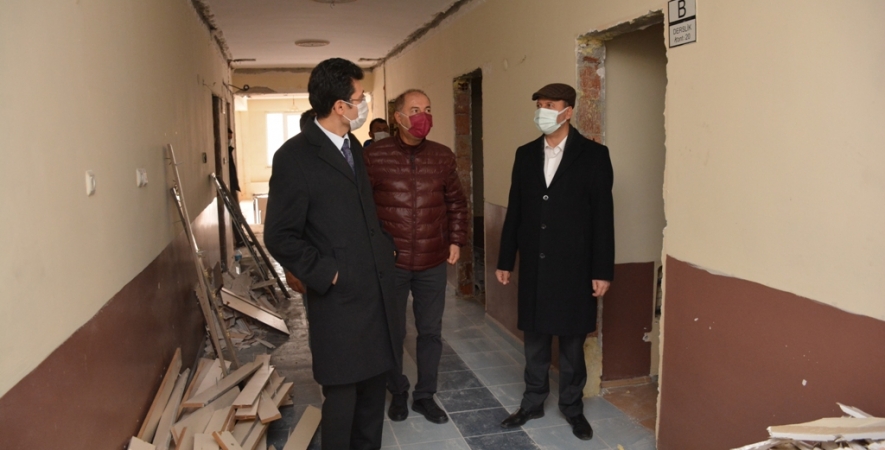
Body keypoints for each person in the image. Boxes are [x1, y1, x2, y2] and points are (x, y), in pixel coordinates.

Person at [264, 57, 400, 450]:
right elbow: (279, 235)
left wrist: (384, 247)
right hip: (339, 300)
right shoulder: (294, 156)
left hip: (375, 290)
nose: (363, 105)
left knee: (373, 390)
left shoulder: (351, 145)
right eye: (360, 97)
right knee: (342, 396)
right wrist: (329, 273)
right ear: (340, 106)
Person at [495, 83, 614, 441]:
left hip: (575, 268)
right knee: (535, 339)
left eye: (550, 105)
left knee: (572, 343)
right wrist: (505, 260)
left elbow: (603, 217)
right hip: (536, 264)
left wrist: (602, 271)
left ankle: (572, 408)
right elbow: (516, 209)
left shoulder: (594, 156)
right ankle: (532, 402)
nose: (543, 111)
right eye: (540, 105)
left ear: (568, 111)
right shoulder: (525, 154)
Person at [363, 89, 468, 424]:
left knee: (430, 331)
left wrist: (456, 240)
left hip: (432, 259)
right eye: (415, 109)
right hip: (390, 263)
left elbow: (456, 202)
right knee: (391, 332)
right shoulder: (374, 156)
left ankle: (425, 396)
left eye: (428, 108)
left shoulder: (442, 156)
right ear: (398, 118)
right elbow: (361, 209)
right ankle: (397, 390)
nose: (423, 116)